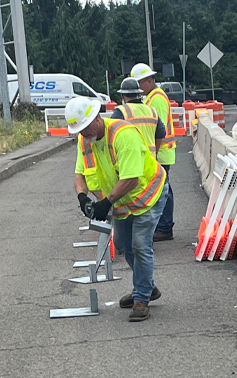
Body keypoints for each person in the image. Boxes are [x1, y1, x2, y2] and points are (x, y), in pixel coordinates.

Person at [65, 96, 168, 322]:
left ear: (97, 118)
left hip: (147, 196)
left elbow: (131, 179)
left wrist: (106, 202)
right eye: (79, 130)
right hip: (121, 202)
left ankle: (141, 298)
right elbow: (79, 174)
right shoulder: (86, 141)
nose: (83, 134)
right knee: (122, 244)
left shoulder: (123, 135)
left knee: (140, 245)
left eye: (85, 127)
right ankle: (147, 286)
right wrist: (82, 197)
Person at [131, 63, 176, 242]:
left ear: (149, 80)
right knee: (162, 189)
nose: (138, 88)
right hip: (159, 151)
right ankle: (163, 225)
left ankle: (165, 227)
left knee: (164, 190)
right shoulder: (152, 97)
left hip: (161, 151)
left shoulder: (156, 99)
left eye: (140, 83)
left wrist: (153, 153)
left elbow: (159, 128)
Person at [111, 77, 165, 159]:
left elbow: (110, 136)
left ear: (122, 96)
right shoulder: (152, 111)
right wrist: (154, 153)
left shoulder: (121, 112)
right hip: (150, 162)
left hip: (131, 161)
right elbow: (161, 134)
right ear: (139, 94)